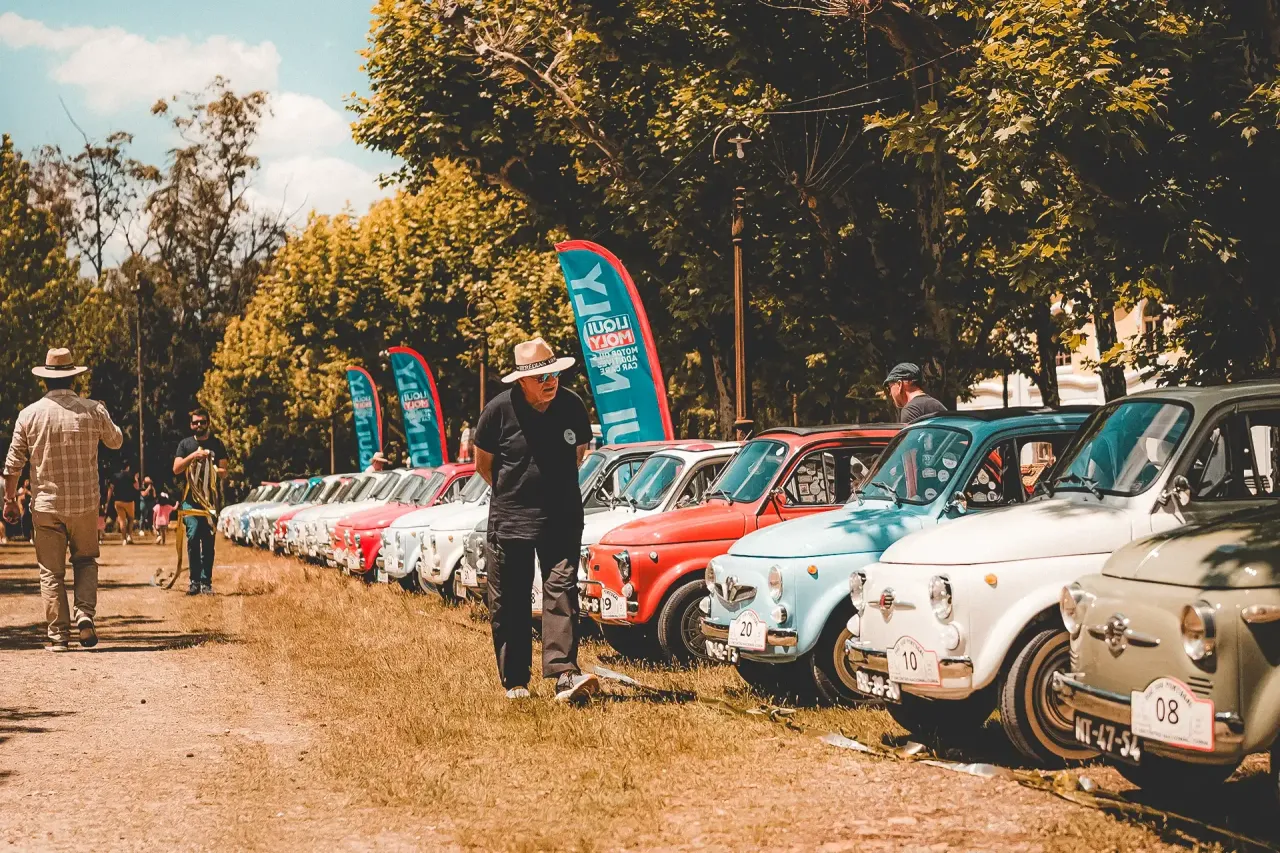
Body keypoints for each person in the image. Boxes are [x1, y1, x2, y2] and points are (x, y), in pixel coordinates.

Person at [474, 337, 598, 703]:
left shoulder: (572, 405)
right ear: (522, 381)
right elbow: (484, 466)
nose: (550, 382)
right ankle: (515, 681)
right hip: (511, 520)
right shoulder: (497, 411)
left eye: (553, 374)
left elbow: (578, 455)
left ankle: (564, 674)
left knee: (562, 591)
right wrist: (517, 494)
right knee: (510, 600)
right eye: (541, 377)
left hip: (562, 518)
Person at [3, 348, 123, 651]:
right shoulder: (93, 410)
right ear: (74, 378)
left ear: (45, 380)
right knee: (85, 561)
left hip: (46, 505)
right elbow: (116, 441)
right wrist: (104, 413)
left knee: (50, 572)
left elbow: (13, 465)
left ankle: (58, 636)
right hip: (85, 504)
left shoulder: (29, 415)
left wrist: (10, 500)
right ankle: (85, 615)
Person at [173, 408, 227, 595]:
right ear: (191, 425)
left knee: (208, 542)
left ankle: (206, 583)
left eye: (202, 422)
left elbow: (224, 471)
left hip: (210, 502)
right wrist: (193, 457)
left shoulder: (217, 444)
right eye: (195, 422)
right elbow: (176, 468)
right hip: (190, 501)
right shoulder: (185, 444)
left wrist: (210, 466)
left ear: (208, 423)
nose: (199, 425)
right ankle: (194, 581)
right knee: (193, 536)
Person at [884, 362, 948, 424]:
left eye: (890, 387)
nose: (890, 393)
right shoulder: (938, 405)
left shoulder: (910, 410)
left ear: (899, 384)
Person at [106, 461, 139, 544]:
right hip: (129, 501)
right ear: (128, 467)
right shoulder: (131, 475)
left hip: (118, 501)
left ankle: (124, 539)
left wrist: (107, 501)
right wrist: (136, 478)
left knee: (122, 520)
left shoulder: (115, 476)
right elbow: (137, 487)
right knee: (131, 519)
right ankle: (129, 536)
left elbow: (110, 489)